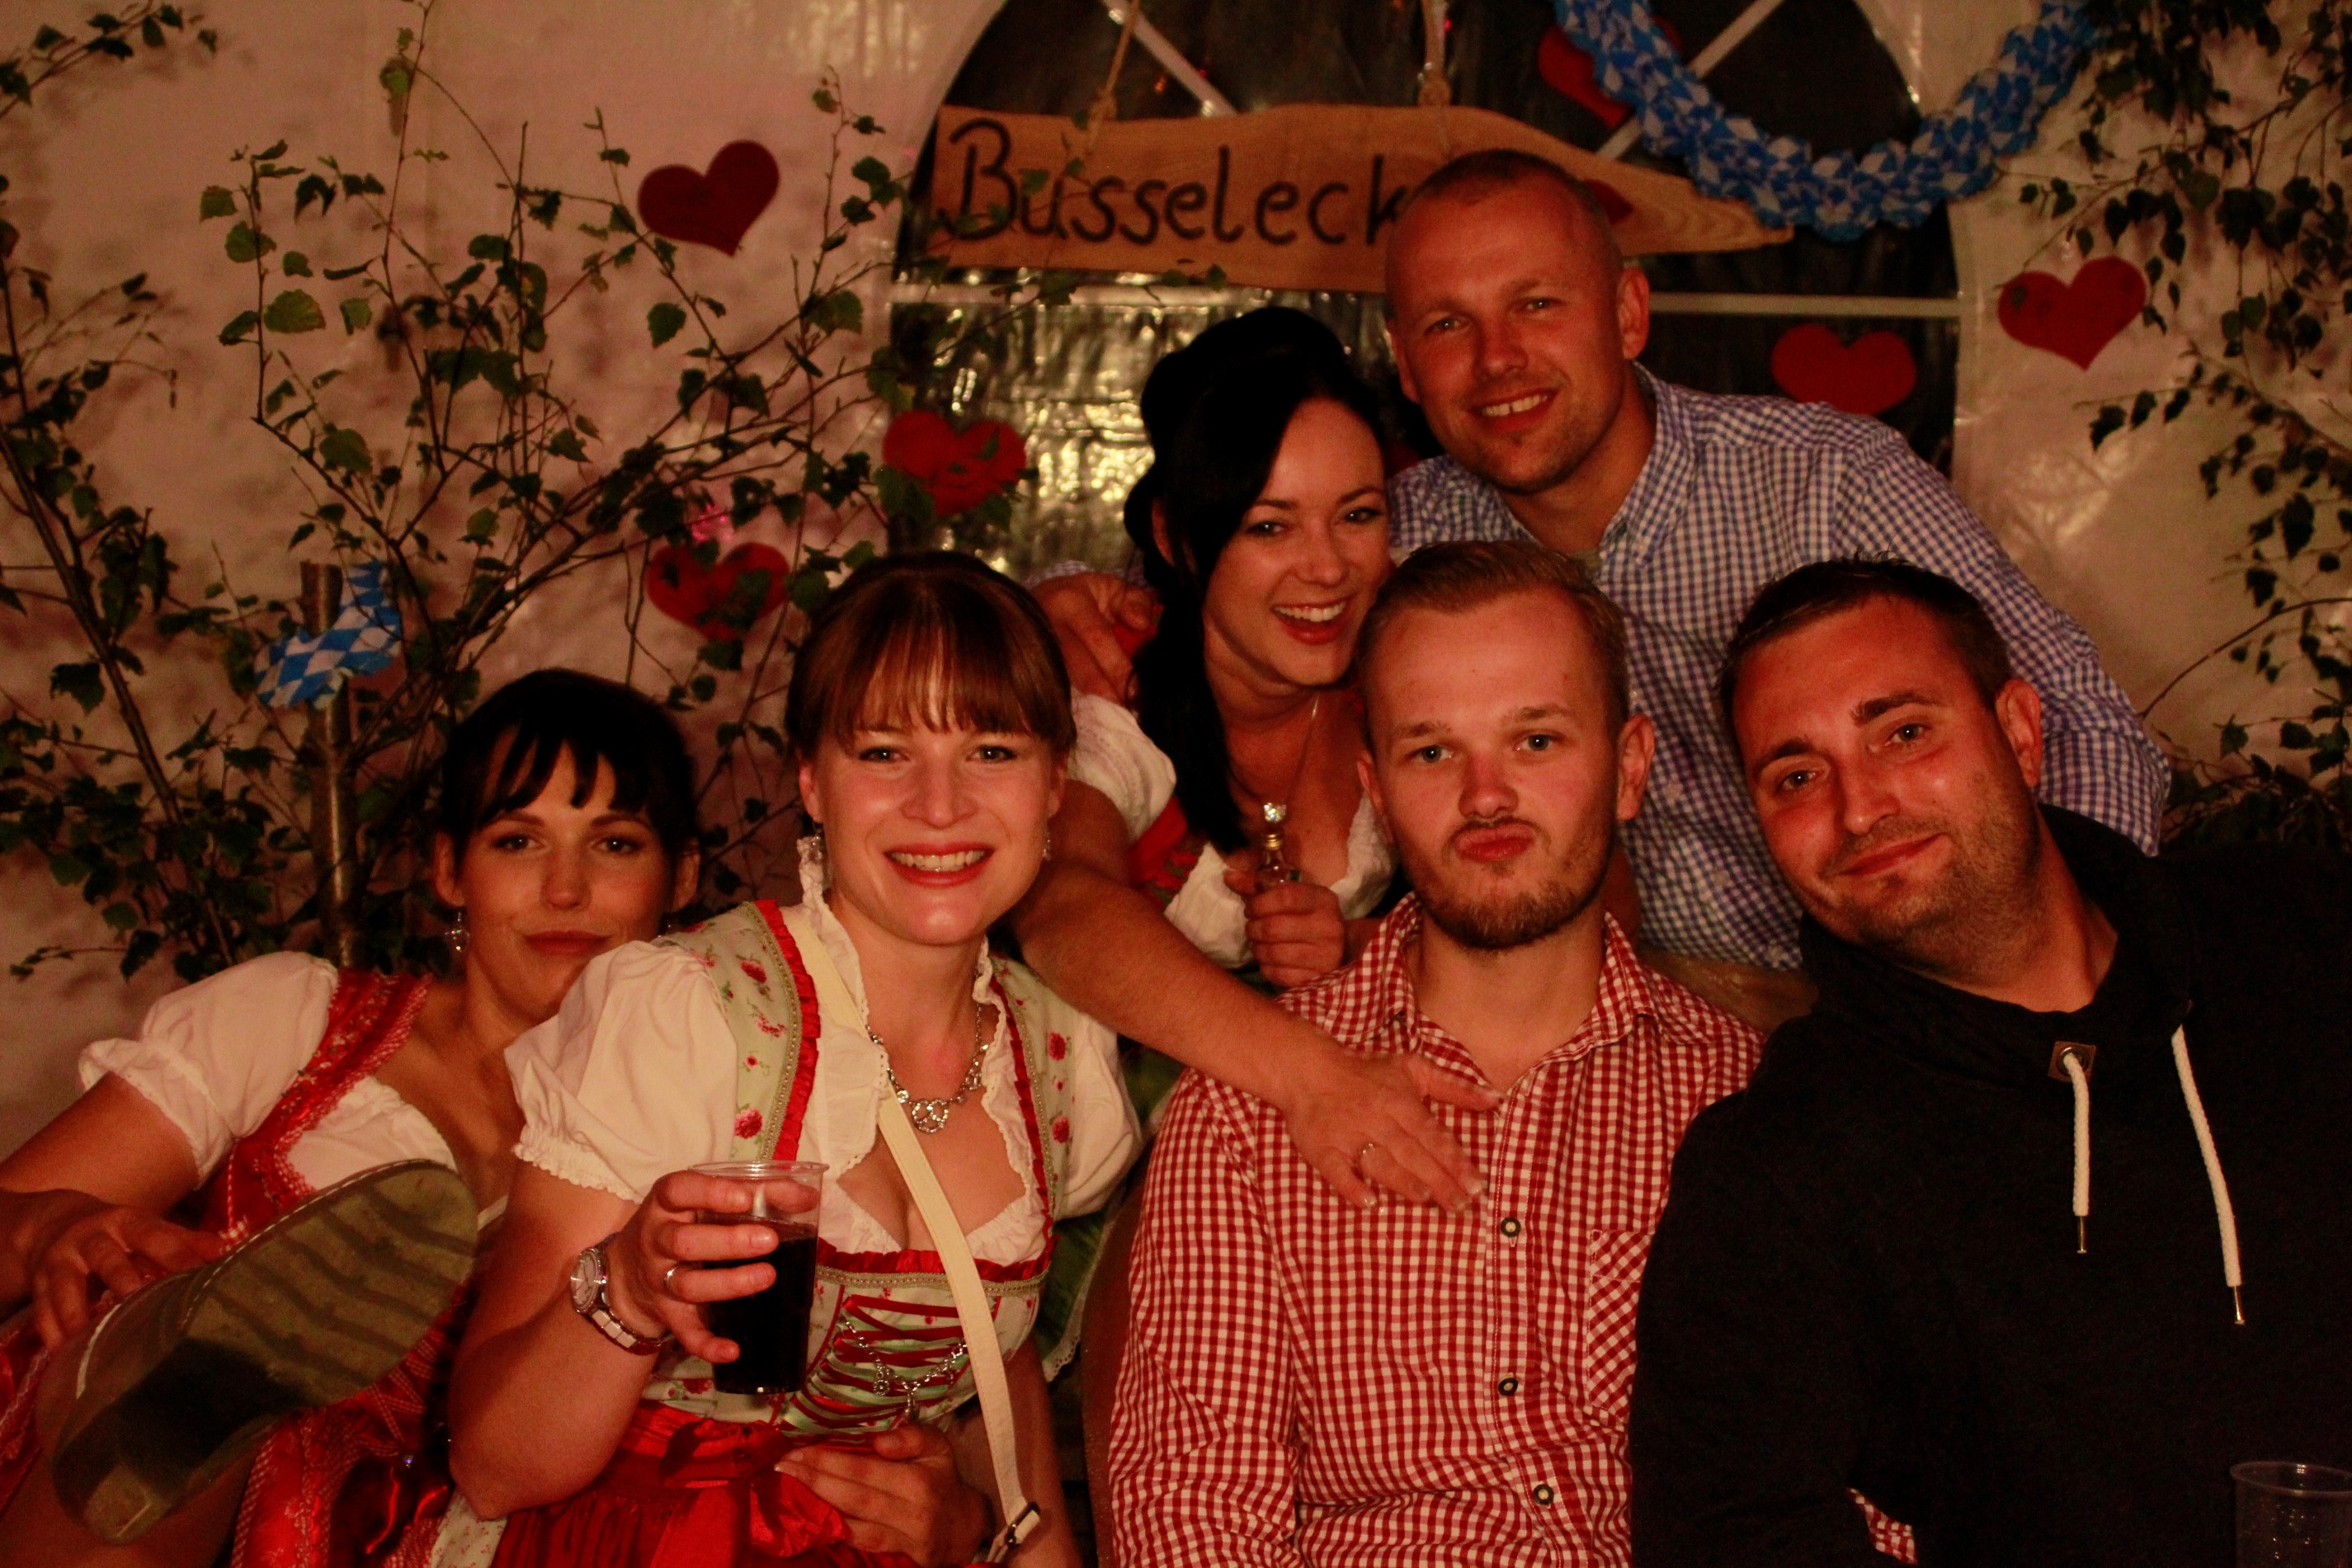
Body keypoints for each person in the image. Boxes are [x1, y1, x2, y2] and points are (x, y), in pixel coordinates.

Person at [1034, 149, 2166, 1026]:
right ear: (1405, 363)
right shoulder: (1398, 528)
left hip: (1877, 999)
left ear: (1626, 313)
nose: (1497, 361)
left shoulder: (1824, 483)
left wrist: (2037, 983)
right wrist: (1053, 604)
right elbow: (1222, 573)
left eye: (1536, 305)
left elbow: (2080, 722)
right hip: (1569, 1020)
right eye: (1448, 325)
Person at [1628, 559, 2352, 1568]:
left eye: (1902, 732)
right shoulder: (1789, 1161)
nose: (1858, 806)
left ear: (2018, 731)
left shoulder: (2302, 936)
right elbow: (1726, 1524)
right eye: (1795, 776)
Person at [445, 553, 1141, 1566]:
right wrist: (628, 1291)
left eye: (991, 749)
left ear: (1055, 785)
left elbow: (1003, 1390)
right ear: (812, 780)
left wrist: (974, 1525)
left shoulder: (1058, 1052)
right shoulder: (684, 1015)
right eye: (885, 751)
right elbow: (492, 1465)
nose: (939, 803)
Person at [1105, 541, 1764, 1565]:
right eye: (1431, 752)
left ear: (1630, 766)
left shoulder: (1743, 1097)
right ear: (1375, 787)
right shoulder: (1243, 1114)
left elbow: (1859, 1487)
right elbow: (1195, 1518)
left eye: (1535, 739)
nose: (1485, 795)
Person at [0, 671, 719, 1566]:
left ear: (682, 874)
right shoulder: (296, 1022)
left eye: (614, 843)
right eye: (517, 840)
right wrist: (50, 1227)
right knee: (180, 1398)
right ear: (450, 870)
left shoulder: (720, 1116)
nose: (565, 888)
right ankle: (199, 1374)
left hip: (464, 1531)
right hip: (164, 1495)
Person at [1013, 306, 1493, 1218]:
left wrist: (1362, 945)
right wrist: (1313, 1075)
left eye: (1357, 516)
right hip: (1105, 1194)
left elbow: (1580, 885)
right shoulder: (1115, 687)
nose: (1327, 569)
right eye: (1270, 528)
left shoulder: (1416, 666)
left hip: (1355, 1173)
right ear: (1176, 537)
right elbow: (1062, 906)